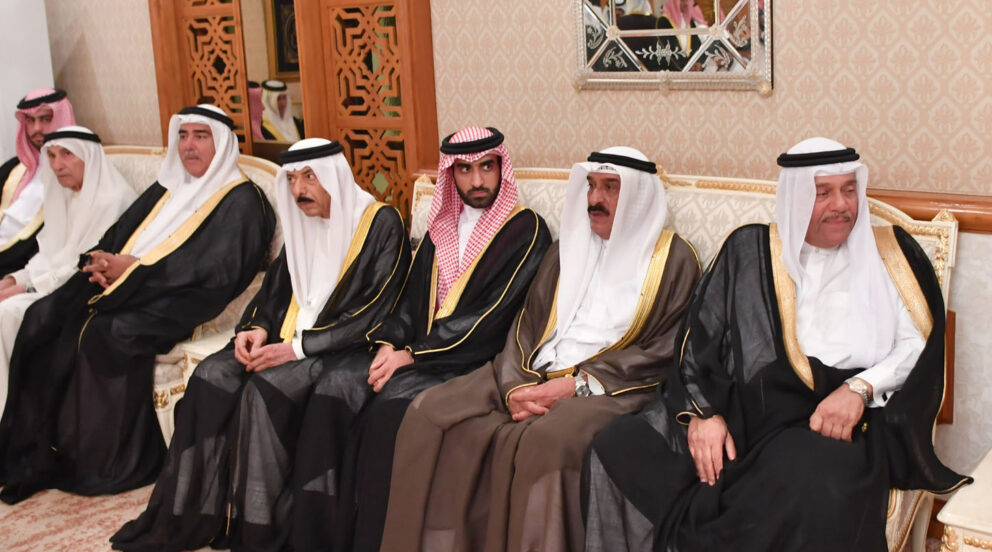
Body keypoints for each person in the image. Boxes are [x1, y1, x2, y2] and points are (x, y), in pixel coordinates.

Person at [582, 138, 973, 551]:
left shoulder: (891, 255)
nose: (841, 205)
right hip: (749, 407)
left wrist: (860, 388)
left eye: (849, 189)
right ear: (796, 197)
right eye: (823, 193)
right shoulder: (751, 249)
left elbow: (918, 346)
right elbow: (700, 342)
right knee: (619, 446)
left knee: (797, 487)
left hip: (831, 420)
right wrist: (703, 413)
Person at [379, 147, 701, 552]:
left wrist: (576, 386)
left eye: (610, 188)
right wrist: (516, 386)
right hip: (530, 371)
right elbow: (526, 324)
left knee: (544, 444)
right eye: (592, 186)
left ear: (638, 196)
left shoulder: (674, 261)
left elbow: (664, 349)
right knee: (429, 412)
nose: (594, 199)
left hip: (609, 387)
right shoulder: (565, 250)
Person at [110, 138, 410, 552]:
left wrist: (298, 349)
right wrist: (255, 329)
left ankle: (262, 530)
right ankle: (199, 516)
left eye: (310, 177)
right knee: (211, 376)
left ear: (334, 176)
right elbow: (272, 293)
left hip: (341, 349)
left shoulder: (380, 224)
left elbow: (375, 312)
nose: (299, 189)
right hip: (287, 340)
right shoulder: (302, 220)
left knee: (265, 390)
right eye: (292, 179)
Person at [0, 105, 277, 504]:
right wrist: (102, 263)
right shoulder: (166, 187)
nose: (189, 146)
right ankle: (41, 446)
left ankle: (104, 459)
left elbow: (216, 270)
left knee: (107, 333)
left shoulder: (243, 200)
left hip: (183, 300)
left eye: (201, 136)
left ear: (223, 143)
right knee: (43, 316)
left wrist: (136, 271)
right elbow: (116, 235)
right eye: (183, 135)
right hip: (131, 286)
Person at [288, 126, 552, 551]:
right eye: (464, 169)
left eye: (487, 167)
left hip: (468, 359)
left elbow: (490, 317)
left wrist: (413, 354)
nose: (477, 180)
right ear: (451, 174)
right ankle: (321, 537)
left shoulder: (526, 231)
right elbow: (410, 301)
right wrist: (390, 344)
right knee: (335, 386)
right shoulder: (439, 227)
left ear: (501, 167)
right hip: (417, 353)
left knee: (388, 410)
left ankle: (374, 540)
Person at [0, 126, 136, 456]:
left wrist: (25, 287)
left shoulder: (112, 199)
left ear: (88, 157)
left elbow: (83, 265)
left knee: (8, 312)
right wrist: (12, 278)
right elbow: (47, 254)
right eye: (53, 156)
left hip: (80, 291)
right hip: (48, 284)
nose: (58, 165)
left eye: (67, 155)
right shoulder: (64, 195)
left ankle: (8, 421)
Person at [0, 88, 75, 297]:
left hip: (13, 264)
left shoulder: (70, 176)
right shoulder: (11, 170)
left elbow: (49, 241)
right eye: (30, 121)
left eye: (45, 119)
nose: (37, 129)